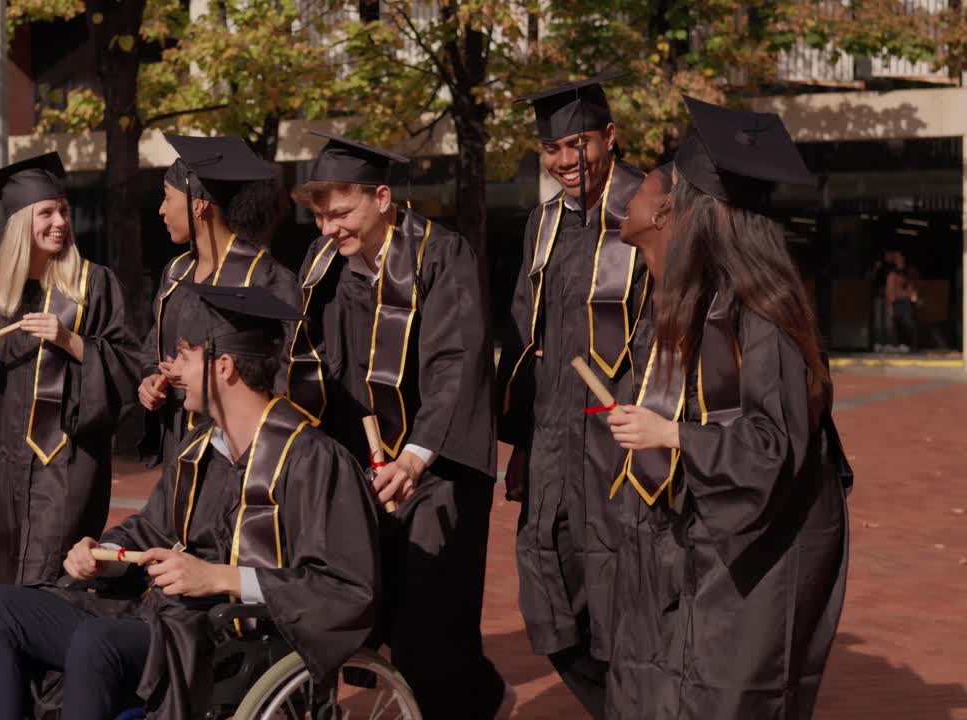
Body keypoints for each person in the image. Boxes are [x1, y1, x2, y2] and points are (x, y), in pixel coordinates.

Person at [0, 282, 381, 720]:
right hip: (161, 618)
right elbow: (152, 528)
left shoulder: (312, 460)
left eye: (183, 355)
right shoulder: (201, 448)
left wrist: (221, 577)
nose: (171, 370)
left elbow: (347, 589)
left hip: (229, 642)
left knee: (97, 642)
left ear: (224, 367)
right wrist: (104, 552)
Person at [606, 96, 850, 719]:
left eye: (665, 186)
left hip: (770, 546)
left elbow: (772, 447)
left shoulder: (762, 312)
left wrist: (676, 436)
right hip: (721, 533)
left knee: (735, 698)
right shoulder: (701, 297)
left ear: (690, 208)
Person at [286, 132, 509, 719]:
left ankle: (472, 700)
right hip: (364, 465)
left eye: (340, 213)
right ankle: (479, 694)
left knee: (431, 628)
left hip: (435, 469)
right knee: (364, 611)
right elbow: (315, 362)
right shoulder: (323, 263)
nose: (328, 228)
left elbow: (455, 363)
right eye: (319, 216)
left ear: (382, 197)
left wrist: (414, 457)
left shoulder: (442, 254)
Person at [495, 73, 647, 718]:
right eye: (552, 150)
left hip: (622, 445)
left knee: (622, 594)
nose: (565, 161)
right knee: (549, 590)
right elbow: (531, 337)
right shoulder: (542, 223)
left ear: (609, 137)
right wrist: (525, 446)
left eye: (577, 143)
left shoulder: (650, 210)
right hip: (556, 439)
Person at [0, 152, 140, 586]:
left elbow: (127, 366)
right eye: (47, 212)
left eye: (63, 211)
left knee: (54, 576)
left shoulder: (92, 284)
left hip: (68, 462)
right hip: (7, 463)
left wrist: (69, 340)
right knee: (9, 567)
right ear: (21, 223)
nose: (60, 221)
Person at [137, 135, 299, 466]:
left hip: (236, 449)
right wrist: (152, 378)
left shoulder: (265, 277)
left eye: (168, 198)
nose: (161, 209)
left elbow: (291, 372)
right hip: (178, 442)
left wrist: (205, 379)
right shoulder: (175, 272)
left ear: (199, 205)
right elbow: (153, 345)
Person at [887, 249, 920, 352]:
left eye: (898, 257)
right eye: (895, 257)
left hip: (907, 301)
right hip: (897, 301)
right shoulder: (892, 274)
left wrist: (914, 298)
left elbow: (914, 287)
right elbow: (890, 290)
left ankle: (911, 345)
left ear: (903, 258)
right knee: (898, 323)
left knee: (908, 322)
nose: (897, 259)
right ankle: (902, 345)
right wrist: (891, 304)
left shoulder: (910, 271)